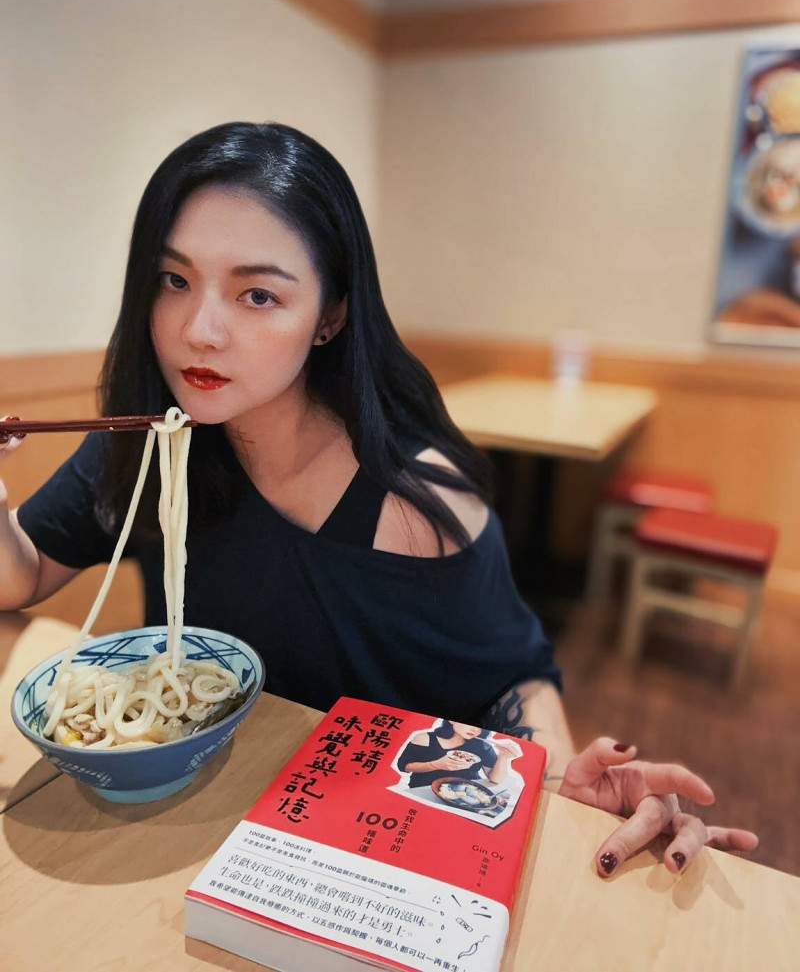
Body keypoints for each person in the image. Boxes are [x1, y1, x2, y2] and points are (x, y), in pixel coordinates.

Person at [0, 122, 757, 878]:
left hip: (369, 850)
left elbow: (515, 677)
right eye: (174, 280)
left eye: (258, 294)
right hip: (195, 822)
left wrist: (562, 785)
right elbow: (22, 576)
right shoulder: (148, 451)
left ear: (329, 314)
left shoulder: (417, 501)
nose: (200, 330)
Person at [397, 719, 520, 789]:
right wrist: (435, 765)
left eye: (480, 727)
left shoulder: (482, 746)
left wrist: (503, 757)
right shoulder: (425, 738)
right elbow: (404, 766)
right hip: (424, 790)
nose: (474, 729)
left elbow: (495, 779)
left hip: (466, 792)